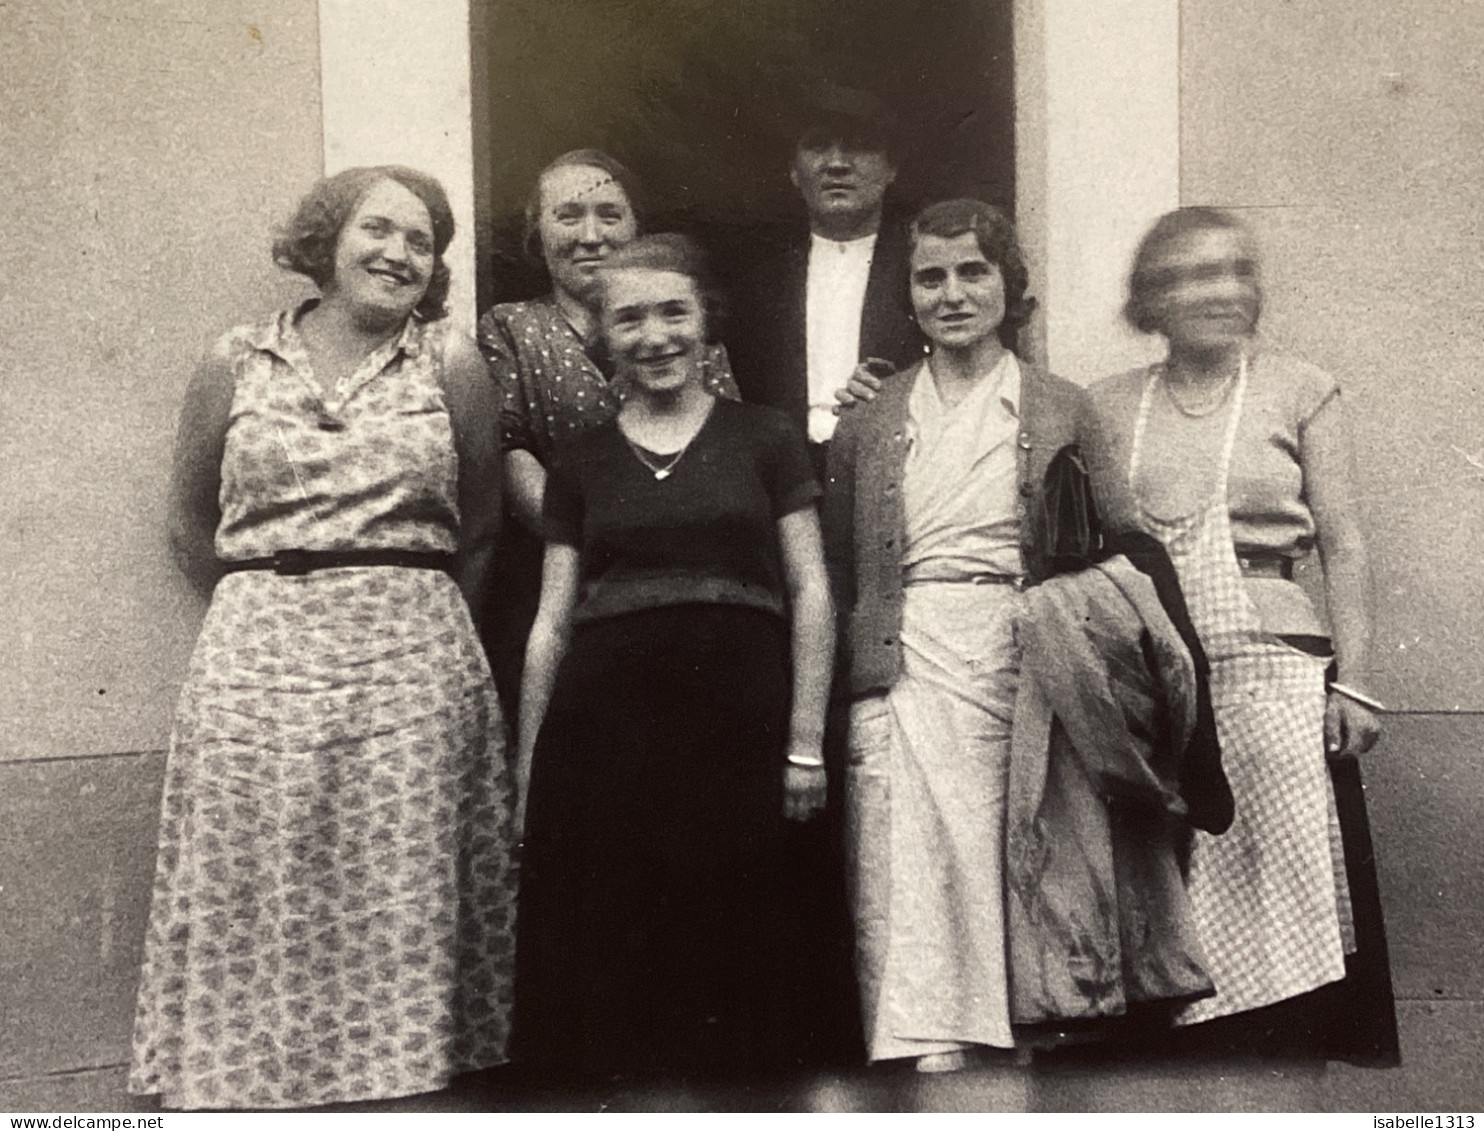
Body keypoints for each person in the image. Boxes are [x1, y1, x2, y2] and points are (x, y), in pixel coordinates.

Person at [129, 167, 518, 1109]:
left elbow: (481, 526)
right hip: (255, 658)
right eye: (378, 230)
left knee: (400, 894)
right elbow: (189, 521)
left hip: (411, 663)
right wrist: (265, 607)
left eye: (422, 242)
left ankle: (402, 1099)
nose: (399, 254)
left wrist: (404, 610)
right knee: (250, 880)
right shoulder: (237, 360)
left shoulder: (449, 363)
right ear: (326, 239)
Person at [511, 234, 837, 1082]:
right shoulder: (580, 460)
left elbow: (811, 592)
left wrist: (805, 743)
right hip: (607, 733)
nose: (653, 335)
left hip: (740, 721)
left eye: (673, 312)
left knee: (740, 941)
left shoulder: (765, 438)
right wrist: (529, 770)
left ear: (707, 324)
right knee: (618, 943)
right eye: (629, 318)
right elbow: (551, 621)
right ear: (603, 337)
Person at [1077, 206, 1398, 1060]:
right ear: (1151, 298)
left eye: (1234, 270)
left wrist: (1357, 681)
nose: (1219, 290)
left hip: (1276, 677)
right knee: (1169, 910)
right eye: (1189, 274)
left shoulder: (1302, 387)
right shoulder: (1108, 407)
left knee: (1278, 910)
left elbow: (1346, 542)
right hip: (1153, 683)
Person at [820, 199, 1085, 1070]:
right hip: (906, 653)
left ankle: (1021, 1044)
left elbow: (1110, 551)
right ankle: (924, 1053)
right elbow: (841, 560)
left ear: (1010, 285)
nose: (952, 292)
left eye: (974, 271)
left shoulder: (1060, 406)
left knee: (1015, 846)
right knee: (902, 859)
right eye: (930, 276)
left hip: (1018, 654)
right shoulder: (870, 414)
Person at [476, 149, 738, 718]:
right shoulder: (510, 328)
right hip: (558, 581)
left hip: (684, 576)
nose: (591, 235)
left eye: (610, 214)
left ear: (637, 228)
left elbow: (725, 444)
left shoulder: (688, 331)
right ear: (536, 233)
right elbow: (509, 446)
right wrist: (586, 535)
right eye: (568, 215)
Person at [726, 82, 925, 479]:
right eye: (818, 146)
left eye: (860, 146)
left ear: (891, 169)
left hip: (901, 473)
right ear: (793, 170)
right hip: (786, 486)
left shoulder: (924, 273)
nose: (837, 163)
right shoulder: (757, 289)